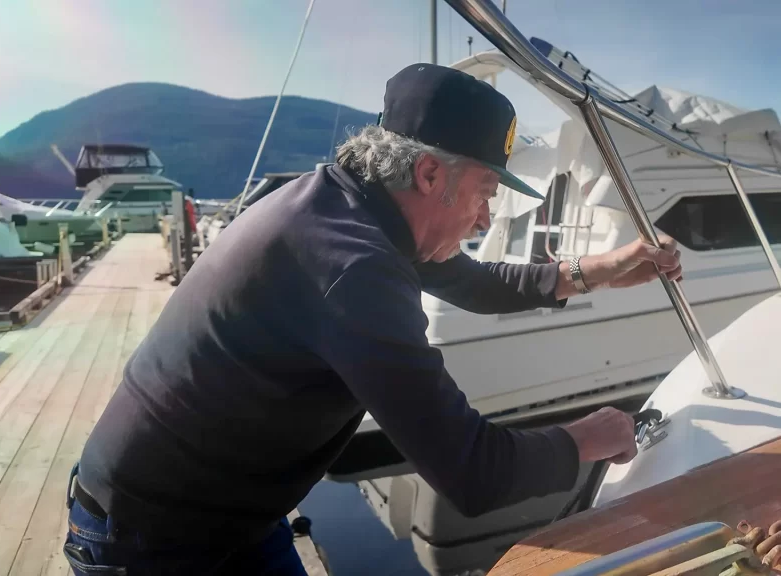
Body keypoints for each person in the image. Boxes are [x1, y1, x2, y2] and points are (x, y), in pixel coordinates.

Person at [62, 63, 682, 575]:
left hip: (224, 514)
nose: (487, 218)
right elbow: (472, 472)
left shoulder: (349, 206)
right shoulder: (352, 263)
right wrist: (590, 437)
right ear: (430, 173)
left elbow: (476, 281)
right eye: (486, 192)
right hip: (150, 541)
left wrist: (602, 269)